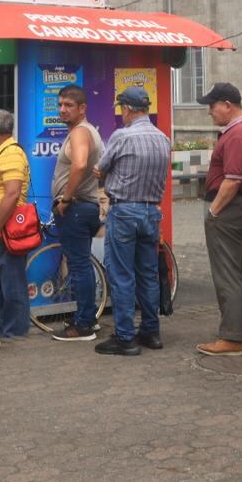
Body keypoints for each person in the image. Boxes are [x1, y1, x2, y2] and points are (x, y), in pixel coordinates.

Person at [93, 85, 172, 356]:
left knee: (122, 274)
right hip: (152, 212)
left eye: (121, 109)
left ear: (127, 109)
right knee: (147, 273)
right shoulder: (163, 138)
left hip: (124, 211)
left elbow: (100, 169)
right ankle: (151, 332)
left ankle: (125, 337)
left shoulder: (121, 136)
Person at [196, 82, 242, 357]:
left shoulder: (236, 134)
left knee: (228, 274)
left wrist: (214, 211)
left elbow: (232, 179)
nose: (210, 111)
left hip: (230, 208)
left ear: (227, 105)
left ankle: (232, 338)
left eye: (212, 106)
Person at [49, 85, 105, 342]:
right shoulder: (85, 131)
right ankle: (87, 318)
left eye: (69, 105)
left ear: (82, 108)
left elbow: (81, 163)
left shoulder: (81, 132)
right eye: (60, 104)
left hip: (76, 207)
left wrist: (66, 198)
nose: (62, 109)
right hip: (85, 206)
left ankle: (83, 324)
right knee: (81, 264)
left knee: (80, 265)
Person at [0, 109, 31, 340]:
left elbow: (12, 193)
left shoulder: (10, 152)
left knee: (13, 286)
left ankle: (15, 333)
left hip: (4, 232)